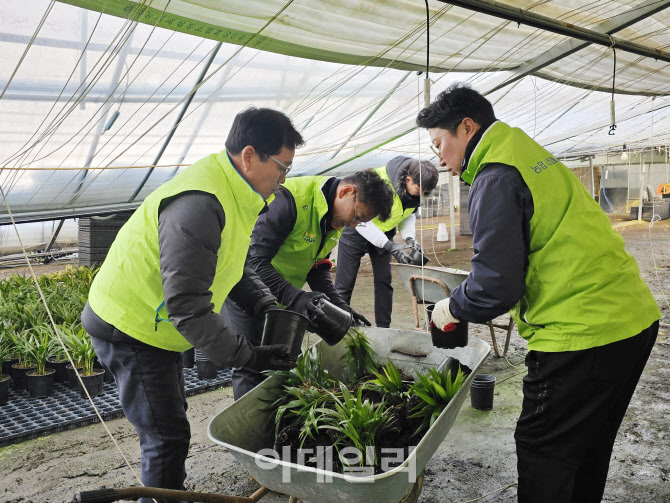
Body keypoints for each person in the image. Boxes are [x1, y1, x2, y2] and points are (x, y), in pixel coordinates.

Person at [417, 83, 661, 503]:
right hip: (631, 320)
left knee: (543, 451)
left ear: (468, 127)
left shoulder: (495, 174)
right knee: (586, 449)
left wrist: (451, 306)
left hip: (582, 334)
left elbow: (496, 284)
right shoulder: (527, 153)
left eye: (441, 143)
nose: (440, 158)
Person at [81, 107, 304, 501]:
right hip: (130, 325)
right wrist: (250, 356)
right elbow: (187, 306)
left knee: (168, 416)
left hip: (158, 326)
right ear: (250, 155)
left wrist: (266, 304)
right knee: (166, 435)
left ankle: (168, 489)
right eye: (282, 168)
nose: (284, 180)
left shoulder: (237, 190)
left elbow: (231, 263)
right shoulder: (200, 202)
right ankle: (163, 495)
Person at [226, 169, 394, 399]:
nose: (353, 225)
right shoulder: (290, 201)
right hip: (247, 291)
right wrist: (295, 298)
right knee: (252, 365)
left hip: (280, 298)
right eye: (356, 216)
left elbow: (316, 268)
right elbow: (254, 262)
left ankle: (274, 422)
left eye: (360, 222)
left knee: (281, 362)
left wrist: (341, 306)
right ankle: (245, 431)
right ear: (346, 191)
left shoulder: (334, 218)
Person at [334, 156, 438, 327]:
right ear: (407, 179)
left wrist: (410, 238)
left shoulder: (414, 193)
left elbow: (408, 214)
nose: (422, 193)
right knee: (344, 284)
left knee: (384, 282)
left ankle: (384, 328)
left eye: (426, 191)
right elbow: (362, 220)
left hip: (384, 233)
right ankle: (338, 325)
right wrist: (391, 246)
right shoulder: (379, 182)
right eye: (420, 188)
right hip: (357, 227)